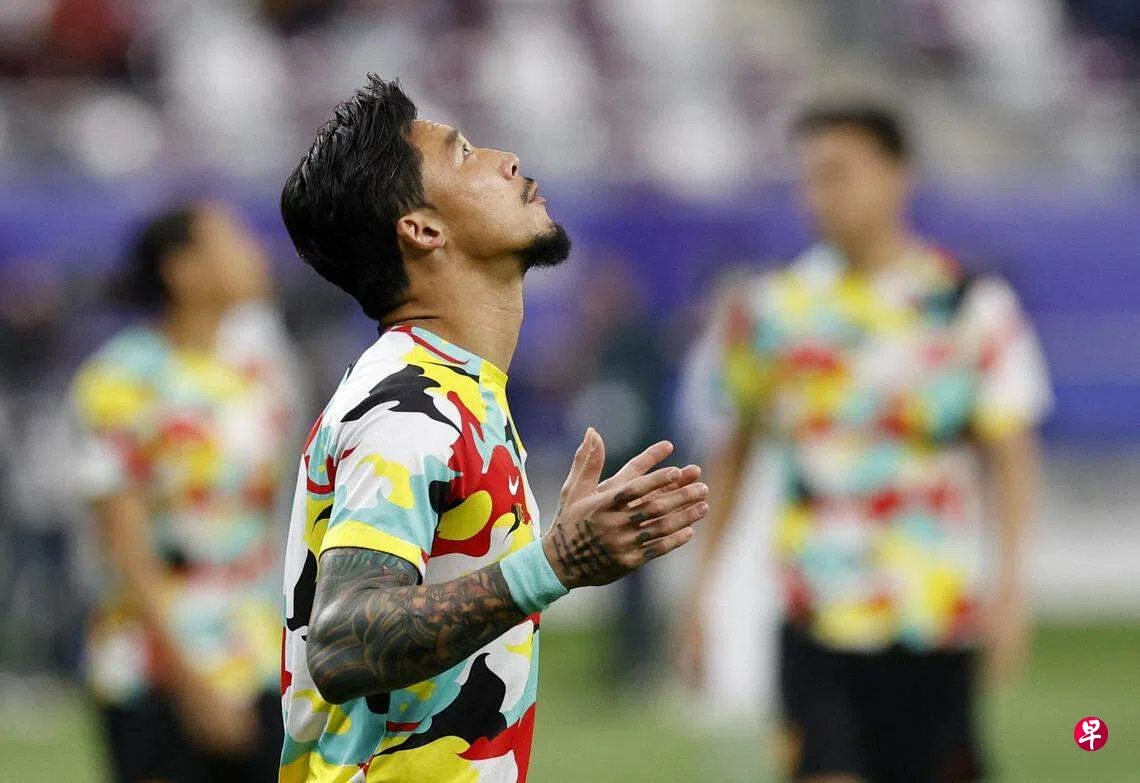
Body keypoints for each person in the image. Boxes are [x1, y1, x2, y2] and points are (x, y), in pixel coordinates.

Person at [277, 75, 709, 783]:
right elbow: (344, 642)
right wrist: (554, 564)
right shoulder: (407, 406)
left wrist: (557, 560)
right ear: (422, 229)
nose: (506, 159)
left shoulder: (457, 391)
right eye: (463, 153)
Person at [679, 104, 1052, 783]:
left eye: (838, 174)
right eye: (809, 179)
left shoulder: (965, 304)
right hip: (814, 611)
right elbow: (733, 453)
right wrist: (700, 592)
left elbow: (1011, 454)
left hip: (932, 612)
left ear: (896, 175)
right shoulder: (771, 310)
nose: (818, 196)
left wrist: (1012, 587)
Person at [71, 203, 293, 782]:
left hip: (256, 653)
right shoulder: (121, 381)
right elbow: (124, 548)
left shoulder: (257, 376)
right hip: (155, 667)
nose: (254, 253)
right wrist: (191, 682)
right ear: (182, 270)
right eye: (232, 241)